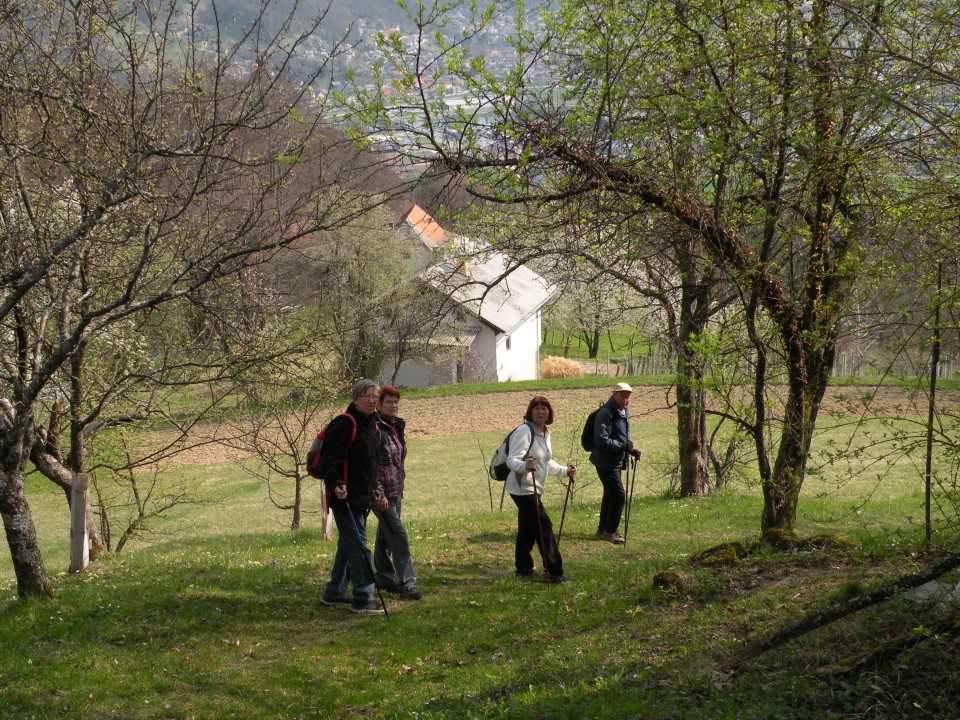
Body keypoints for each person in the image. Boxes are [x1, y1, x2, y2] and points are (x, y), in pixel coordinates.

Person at [319, 379, 389, 614]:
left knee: (348, 544)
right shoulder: (345, 424)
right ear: (356, 398)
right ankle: (363, 597)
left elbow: (371, 464)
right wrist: (336, 484)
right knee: (359, 547)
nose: (371, 401)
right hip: (344, 498)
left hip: (362, 498)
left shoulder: (372, 425)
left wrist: (376, 489)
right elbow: (329, 462)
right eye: (366, 396)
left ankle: (334, 593)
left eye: (374, 397)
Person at [504, 395, 577, 583]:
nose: (540, 411)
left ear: (549, 412)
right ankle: (555, 572)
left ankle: (523, 568)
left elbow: (546, 462)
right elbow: (511, 460)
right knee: (544, 527)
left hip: (534, 488)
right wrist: (525, 466)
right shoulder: (524, 431)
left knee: (528, 528)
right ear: (530, 412)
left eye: (544, 408)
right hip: (523, 488)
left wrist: (565, 471)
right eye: (536, 408)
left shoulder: (545, 433)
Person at [372, 385, 421, 601]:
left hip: (395, 491)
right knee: (399, 537)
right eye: (389, 402)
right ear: (379, 405)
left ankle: (382, 577)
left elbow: (397, 462)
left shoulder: (395, 426)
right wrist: (379, 494)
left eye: (395, 402)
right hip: (380, 494)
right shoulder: (375, 429)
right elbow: (372, 465)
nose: (393, 405)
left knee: (385, 536)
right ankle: (407, 583)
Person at [589, 382, 641, 545]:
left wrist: (630, 449)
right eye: (622, 396)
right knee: (618, 496)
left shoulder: (624, 411)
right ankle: (611, 532)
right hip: (605, 461)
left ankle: (602, 529)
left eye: (628, 396)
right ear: (614, 395)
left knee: (610, 495)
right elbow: (601, 440)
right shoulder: (606, 412)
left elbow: (620, 436)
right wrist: (621, 446)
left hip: (616, 460)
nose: (625, 399)